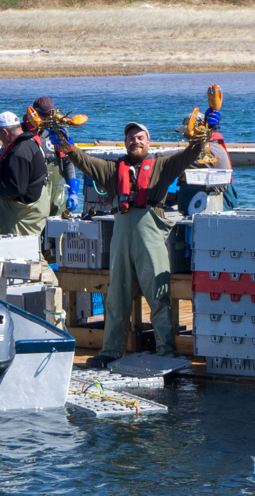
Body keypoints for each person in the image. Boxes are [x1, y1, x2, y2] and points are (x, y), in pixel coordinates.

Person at [58, 121, 207, 367]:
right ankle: (110, 352)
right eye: (130, 138)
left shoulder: (162, 165)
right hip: (121, 239)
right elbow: (82, 160)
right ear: (125, 142)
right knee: (116, 298)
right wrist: (67, 146)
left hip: (151, 239)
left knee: (159, 296)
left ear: (148, 142)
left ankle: (166, 352)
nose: (135, 141)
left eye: (140, 137)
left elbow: (191, 153)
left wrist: (202, 137)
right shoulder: (111, 170)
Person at [174, 110, 237, 213]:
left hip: (217, 205)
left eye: (188, 132)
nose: (185, 136)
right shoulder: (217, 146)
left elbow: (174, 159)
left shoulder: (207, 152)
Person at [31, 96, 69, 219]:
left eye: (51, 114)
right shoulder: (24, 132)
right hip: (35, 193)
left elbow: (67, 161)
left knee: (58, 232)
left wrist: (73, 189)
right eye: (44, 115)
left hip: (57, 193)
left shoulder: (59, 132)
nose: (48, 118)